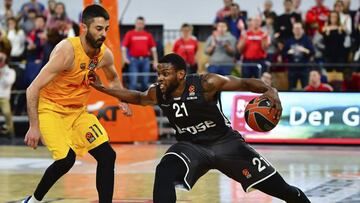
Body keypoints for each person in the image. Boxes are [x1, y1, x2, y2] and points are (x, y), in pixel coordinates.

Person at [90, 53, 311, 203]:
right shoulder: (158, 92)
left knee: (283, 190)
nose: (160, 78)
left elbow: (244, 83)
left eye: (165, 74)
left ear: (180, 75)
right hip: (191, 147)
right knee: (164, 169)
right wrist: (102, 88)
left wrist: (270, 90)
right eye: (158, 74)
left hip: (226, 144)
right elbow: (138, 97)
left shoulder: (207, 84)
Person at [22, 4, 131, 203]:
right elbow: (32, 88)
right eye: (99, 29)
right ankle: (33, 200)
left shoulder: (104, 54)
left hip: (78, 113)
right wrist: (34, 126)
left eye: (106, 29)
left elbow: (113, 78)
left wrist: (121, 97)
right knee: (66, 160)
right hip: (51, 110)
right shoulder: (67, 51)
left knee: (107, 156)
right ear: (84, 27)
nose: (103, 34)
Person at [122, 16, 158, 91]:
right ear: (135, 24)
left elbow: (153, 49)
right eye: (138, 23)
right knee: (133, 83)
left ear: (144, 24)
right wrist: (124, 58)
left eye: (141, 23)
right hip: (133, 61)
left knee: (145, 82)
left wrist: (155, 61)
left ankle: (144, 100)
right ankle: (132, 101)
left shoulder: (148, 35)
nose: (140, 25)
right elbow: (123, 47)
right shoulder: (130, 34)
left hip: (145, 61)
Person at [0, 44, 16, 137]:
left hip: (4, 97)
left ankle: (11, 132)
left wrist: (2, 75)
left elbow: (9, 82)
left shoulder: (10, 71)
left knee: (7, 113)